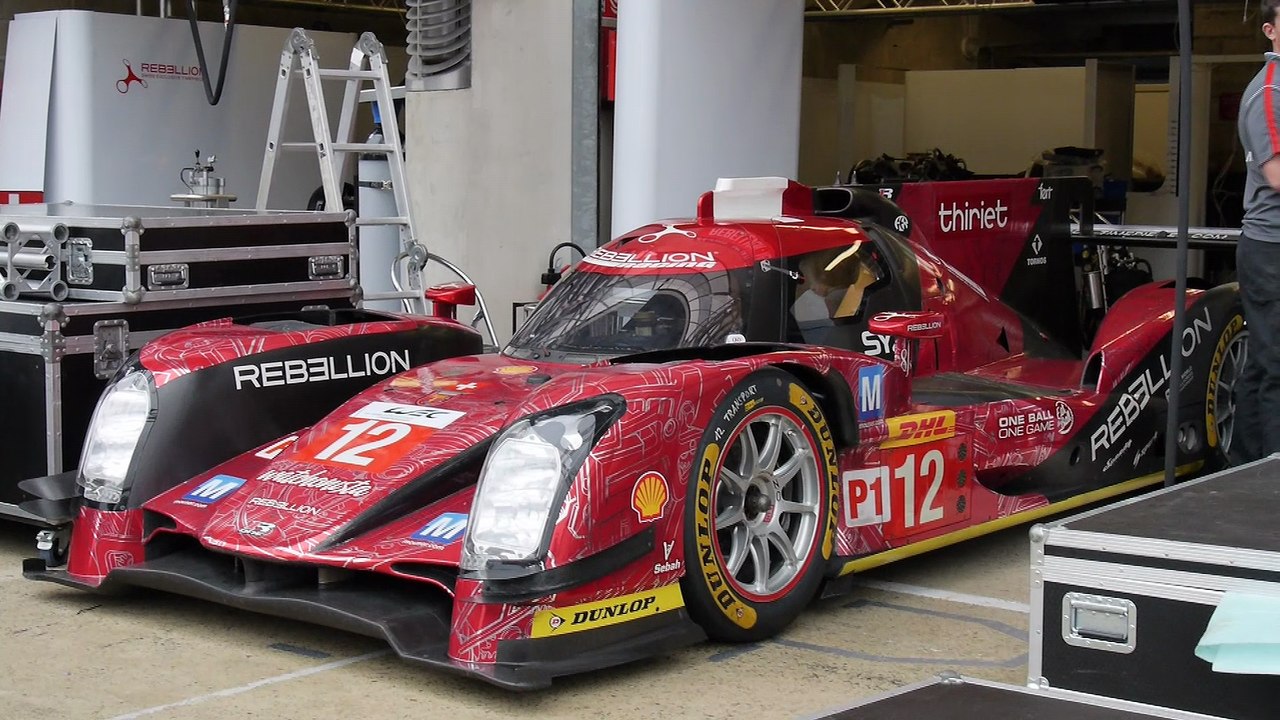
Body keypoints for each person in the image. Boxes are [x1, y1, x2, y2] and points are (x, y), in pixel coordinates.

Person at [1235, 0, 1280, 463]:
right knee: (1277, 365)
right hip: (1271, 249)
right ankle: (1269, 480)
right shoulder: (1270, 90)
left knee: (1265, 362)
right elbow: (1277, 176)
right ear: (1270, 30)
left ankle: (1240, 467)